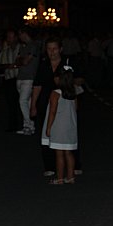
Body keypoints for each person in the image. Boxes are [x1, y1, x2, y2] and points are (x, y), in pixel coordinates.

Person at [30, 37, 85, 178]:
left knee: (69, 134)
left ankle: (75, 166)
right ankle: (50, 166)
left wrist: (69, 81)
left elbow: (80, 79)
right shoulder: (43, 65)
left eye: (54, 48)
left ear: (60, 49)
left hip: (66, 102)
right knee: (47, 133)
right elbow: (37, 85)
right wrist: (33, 105)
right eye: (49, 49)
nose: (52, 52)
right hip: (47, 102)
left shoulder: (68, 63)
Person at [41, 66, 81, 184]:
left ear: (58, 79)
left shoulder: (55, 93)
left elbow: (52, 112)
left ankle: (59, 178)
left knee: (59, 153)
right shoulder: (73, 92)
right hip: (70, 126)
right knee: (68, 152)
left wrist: (48, 127)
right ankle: (70, 176)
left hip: (58, 126)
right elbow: (75, 108)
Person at [15, 26, 41, 135]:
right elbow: (17, 61)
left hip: (29, 77)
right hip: (20, 76)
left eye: (20, 34)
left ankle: (29, 124)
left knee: (22, 101)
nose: (19, 36)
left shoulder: (34, 45)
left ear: (24, 33)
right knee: (27, 102)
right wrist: (22, 60)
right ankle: (28, 127)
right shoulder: (23, 47)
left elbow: (25, 61)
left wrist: (22, 60)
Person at [0, 29, 21, 132]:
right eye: (8, 37)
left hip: (21, 79)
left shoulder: (22, 49)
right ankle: (13, 124)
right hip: (9, 79)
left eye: (11, 37)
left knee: (22, 102)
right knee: (11, 103)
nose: (9, 39)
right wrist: (9, 66)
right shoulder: (5, 51)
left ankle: (23, 124)